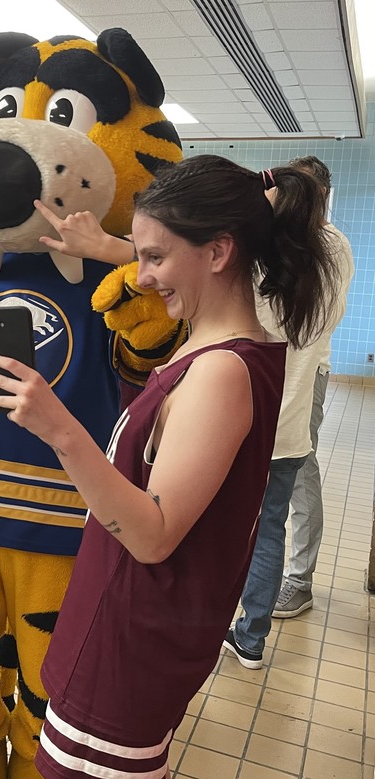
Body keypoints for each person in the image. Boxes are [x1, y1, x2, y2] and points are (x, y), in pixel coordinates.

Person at [0, 155, 336, 778]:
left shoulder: (221, 372)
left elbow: (152, 533)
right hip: (123, 629)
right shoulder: (209, 343)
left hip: (129, 645)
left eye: (154, 257)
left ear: (219, 251)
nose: (140, 276)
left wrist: (59, 429)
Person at [223, 159, 352, 669]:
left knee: (222, 528)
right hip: (291, 420)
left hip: (238, 421)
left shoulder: (257, 256)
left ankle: (207, 624)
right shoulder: (336, 250)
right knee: (269, 525)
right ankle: (252, 637)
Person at [273, 156, 354, 619]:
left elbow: (309, 322)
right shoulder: (286, 238)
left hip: (307, 375)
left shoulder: (330, 244)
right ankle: (265, 570)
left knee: (300, 470)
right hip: (271, 373)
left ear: (319, 195)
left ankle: (299, 580)